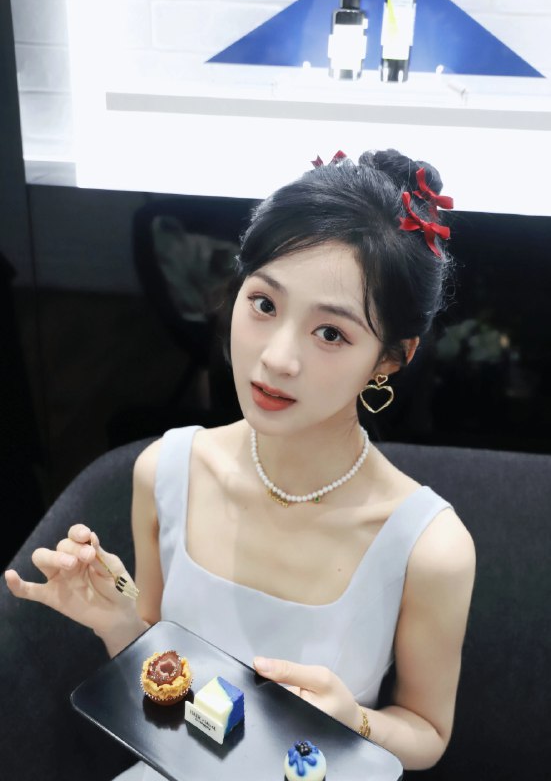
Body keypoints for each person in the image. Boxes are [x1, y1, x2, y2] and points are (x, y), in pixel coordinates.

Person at [5, 148, 475, 777]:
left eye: (331, 333)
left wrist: (353, 721)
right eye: (264, 304)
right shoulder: (166, 471)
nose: (276, 358)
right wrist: (117, 621)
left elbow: (427, 731)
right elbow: (165, 685)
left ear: (391, 357)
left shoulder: (431, 549)